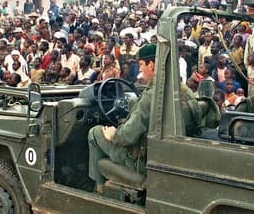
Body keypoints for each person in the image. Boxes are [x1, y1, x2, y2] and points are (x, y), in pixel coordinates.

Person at [86, 44, 201, 193]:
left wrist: (113, 134)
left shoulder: (151, 96)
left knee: (95, 133)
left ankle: (98, 188)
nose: (139, 69)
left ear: (151, 65)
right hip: (170, 157)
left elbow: (126, 137)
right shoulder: (184, 91)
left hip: (142, 161)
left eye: (141, 65)